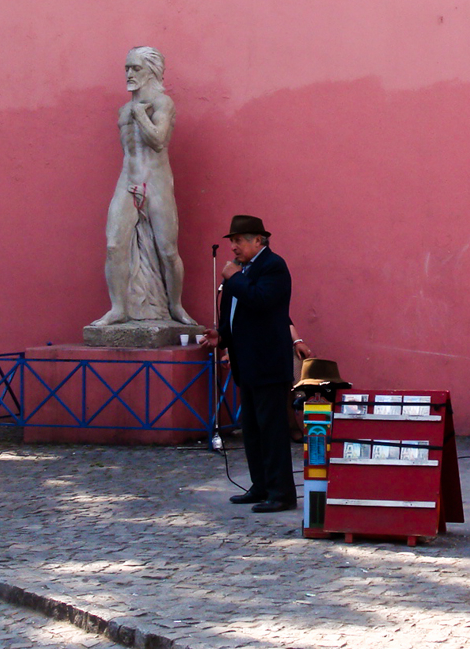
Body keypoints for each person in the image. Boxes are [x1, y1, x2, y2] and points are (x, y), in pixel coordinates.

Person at [92, 46, 195, 327]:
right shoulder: (124, 109)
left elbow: (159, 141)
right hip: (127, 180)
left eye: (135, 68)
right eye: (126, 68)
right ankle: (118, 309)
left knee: (168, 251)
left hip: (157, 182)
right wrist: (134, 112)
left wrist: (140, 115)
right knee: (114, 245)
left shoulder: (163, 103)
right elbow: (130, 151)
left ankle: (175, 306)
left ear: (151, 71)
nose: (128, 73)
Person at [203, 215, 297, 513]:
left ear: (259, 240)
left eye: (239, 240)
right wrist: (222, 337)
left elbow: (260, 300)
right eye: (232, 241)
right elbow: (234, 311)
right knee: (252, 430)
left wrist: (235, 278)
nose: (233, 247)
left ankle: (281, 493)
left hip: (268, 362)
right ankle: (260, 486)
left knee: (272, 430)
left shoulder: (273, 266)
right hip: (247, 363)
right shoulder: (240, 272)